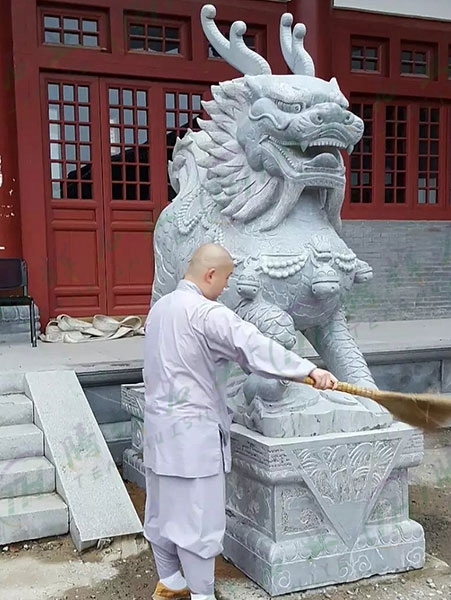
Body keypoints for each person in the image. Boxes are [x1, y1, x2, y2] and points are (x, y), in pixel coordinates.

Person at [141, 242, 338, 600]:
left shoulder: (159, 310)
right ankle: (201, 595)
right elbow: (255, 346)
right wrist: (308, 370)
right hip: (194, 436)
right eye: (226, 278)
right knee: (197, 520)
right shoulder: (207, 313)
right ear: (210, 274)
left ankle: (169, 582)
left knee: (161, 510)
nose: (227, 288)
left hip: (158, 431)